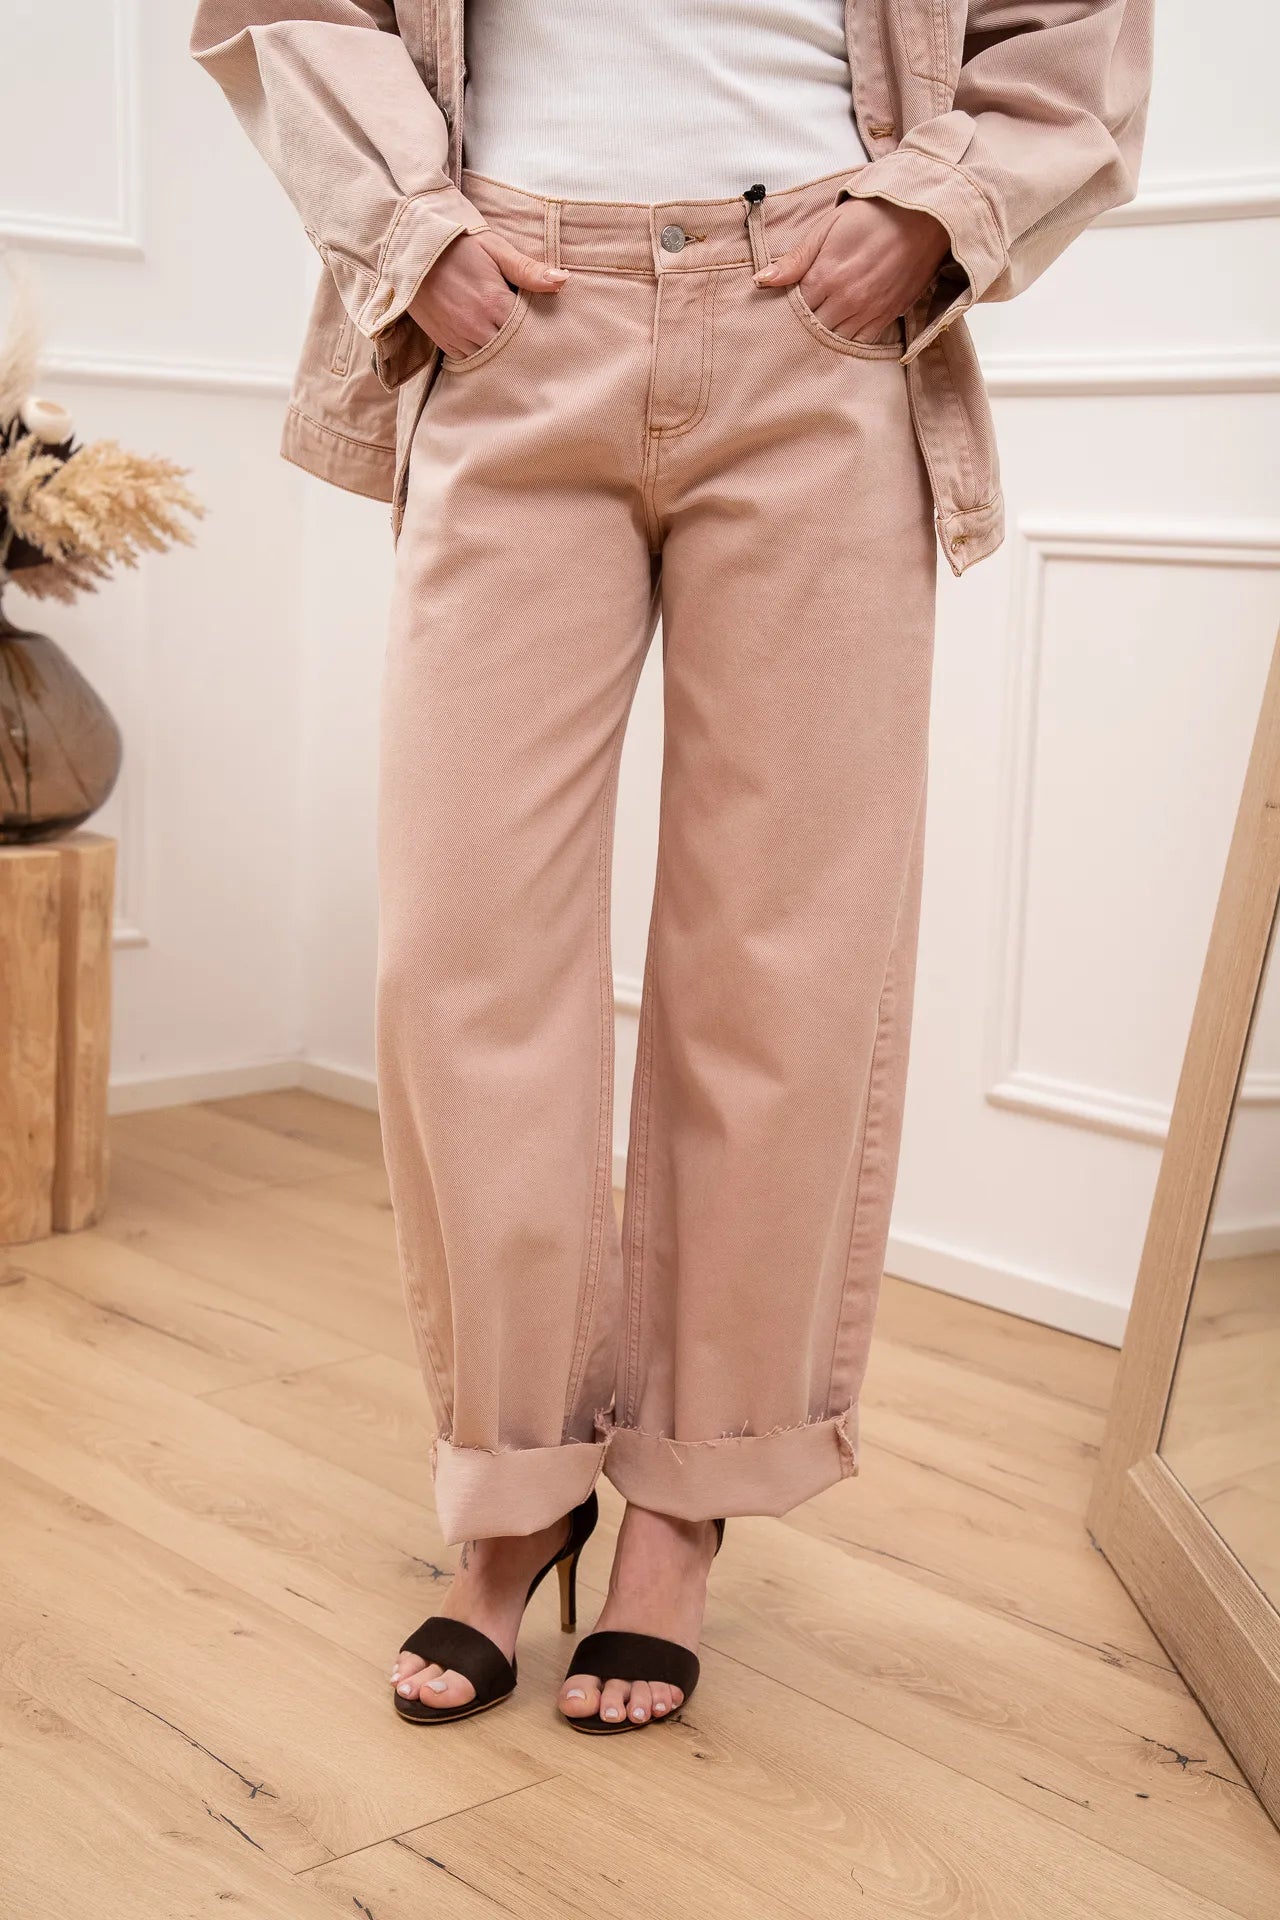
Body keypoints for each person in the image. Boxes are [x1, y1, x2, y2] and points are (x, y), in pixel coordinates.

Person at [191, 0, 1152, 1734]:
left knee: (779, 956)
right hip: (510, 304)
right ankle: (516, 1479)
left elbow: (1070, 35)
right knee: (462, 944)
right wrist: (412, 230)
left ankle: (687, 1500)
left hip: (820, 321)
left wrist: (933, 209)